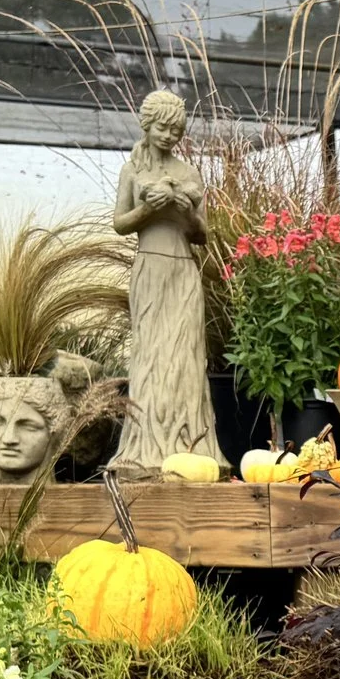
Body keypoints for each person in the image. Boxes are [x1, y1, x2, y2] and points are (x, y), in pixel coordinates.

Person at [111, 88, 217, 472]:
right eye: (163, 128)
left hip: (183, 270)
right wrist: (146, 209)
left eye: (177, 130)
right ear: (148, 125)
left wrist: (187, 211)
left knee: (186, 355)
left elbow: (202, 234)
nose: (170, 136)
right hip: (151, 269)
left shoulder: (189, 173)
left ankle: (194, 447)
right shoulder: (133, 170)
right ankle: (146, 447)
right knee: (151, 355)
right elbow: (120, 223)